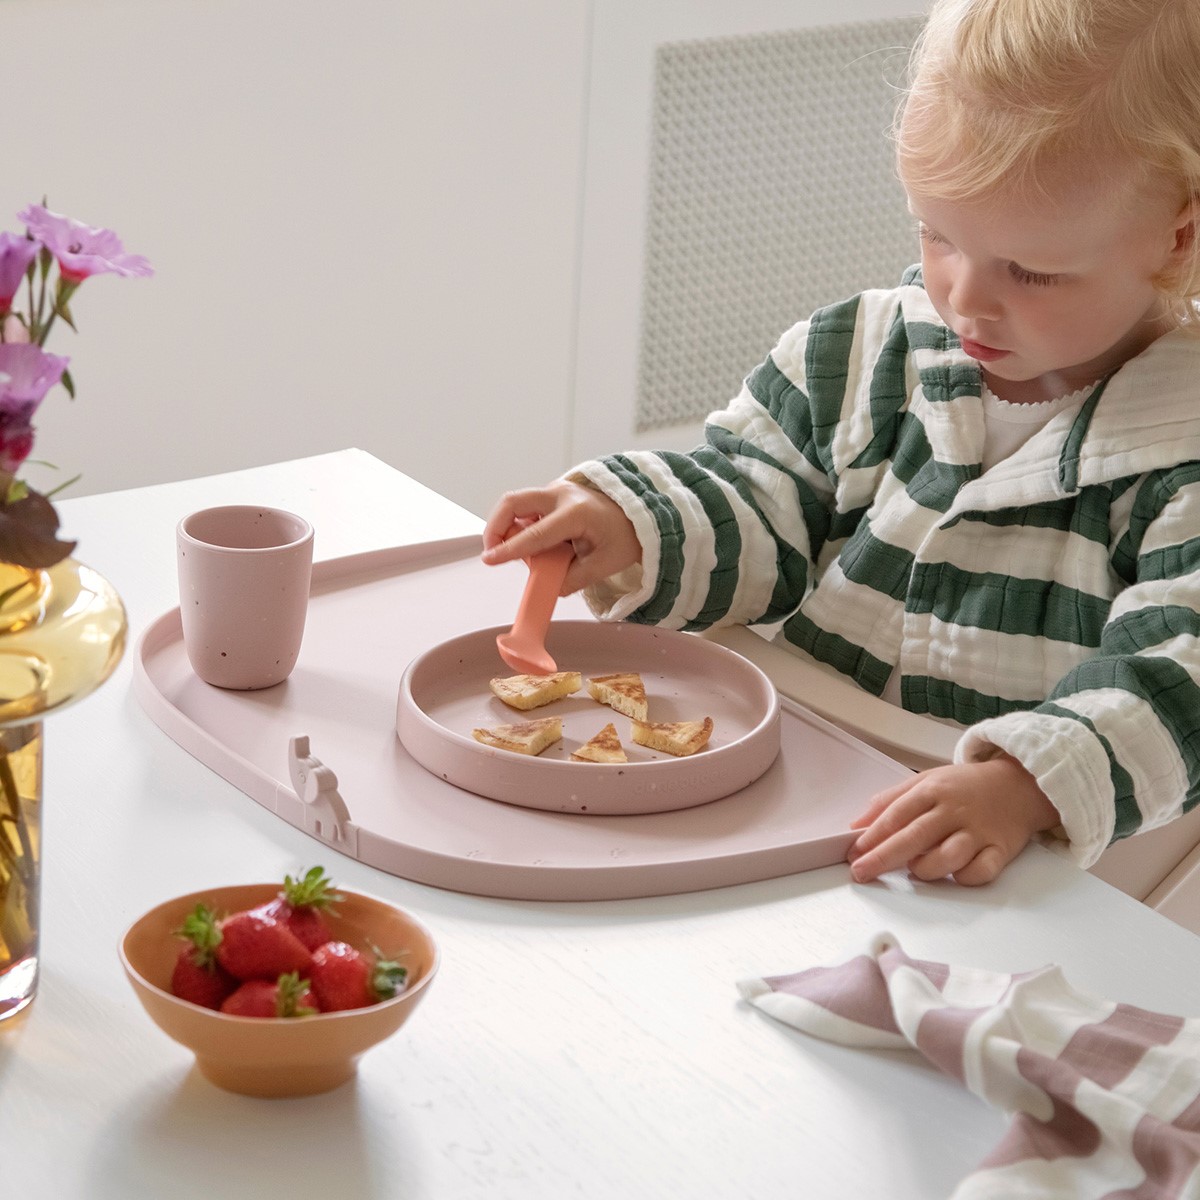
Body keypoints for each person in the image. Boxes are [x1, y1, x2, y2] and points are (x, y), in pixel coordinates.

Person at [481, 0, 1200, 887]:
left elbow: (1180, 675)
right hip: (797, 796)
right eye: (938, 235)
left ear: (1179, 236)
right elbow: (757, 498)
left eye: (1031, 271)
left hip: (1003, 873)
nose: (966, 298)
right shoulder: (859, 354)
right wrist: (633, 521)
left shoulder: (1182, 455)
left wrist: (1025, 785)